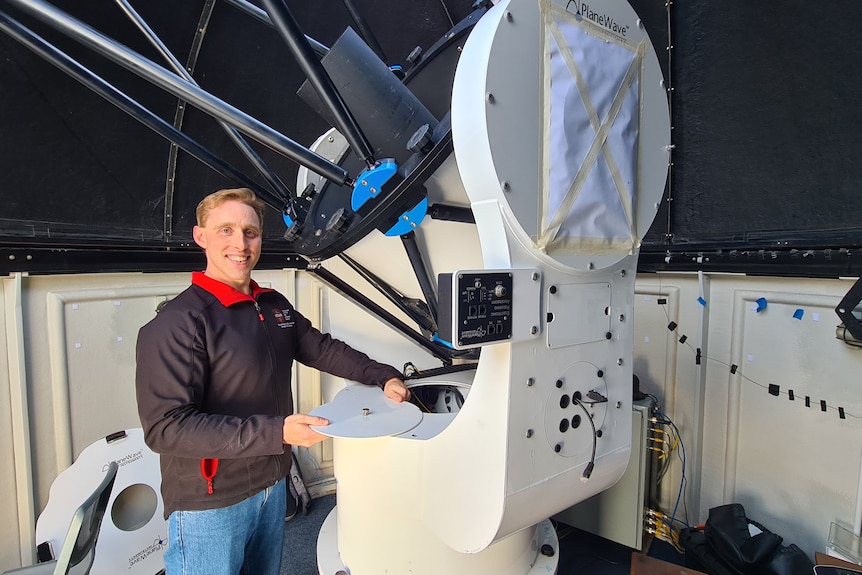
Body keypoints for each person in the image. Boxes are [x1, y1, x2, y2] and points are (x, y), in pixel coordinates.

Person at [135, 187, 410, 575]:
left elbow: (322, 349)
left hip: (270, 484)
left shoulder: (273, 305)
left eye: (250, 232)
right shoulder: (179, 323)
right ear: (201, 237)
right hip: (212, 502)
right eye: (226, 230)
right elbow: (166, 428)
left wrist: (383, 376)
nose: (240, 244)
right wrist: (278, 432)